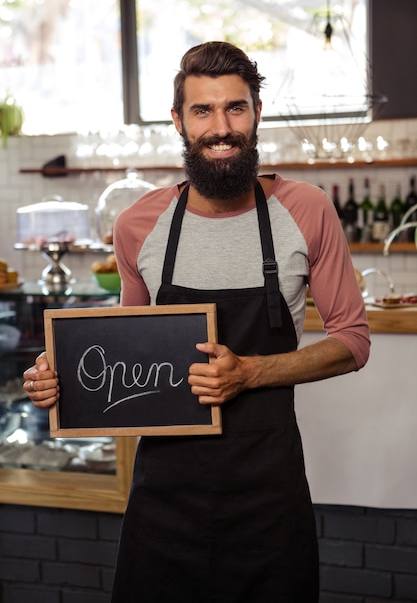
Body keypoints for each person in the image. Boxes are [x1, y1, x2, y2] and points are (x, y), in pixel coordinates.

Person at [23, 41, 370, 602]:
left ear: (257, 114)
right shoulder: (140, 223)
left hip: (267, 495)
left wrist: (250, 373)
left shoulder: (305, 209)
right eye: (203, 111)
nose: (221, 128)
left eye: (235, 108)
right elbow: (123, 348)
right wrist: (58, 372)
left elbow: (353, 341)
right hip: (164, 497)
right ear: (179, 122)